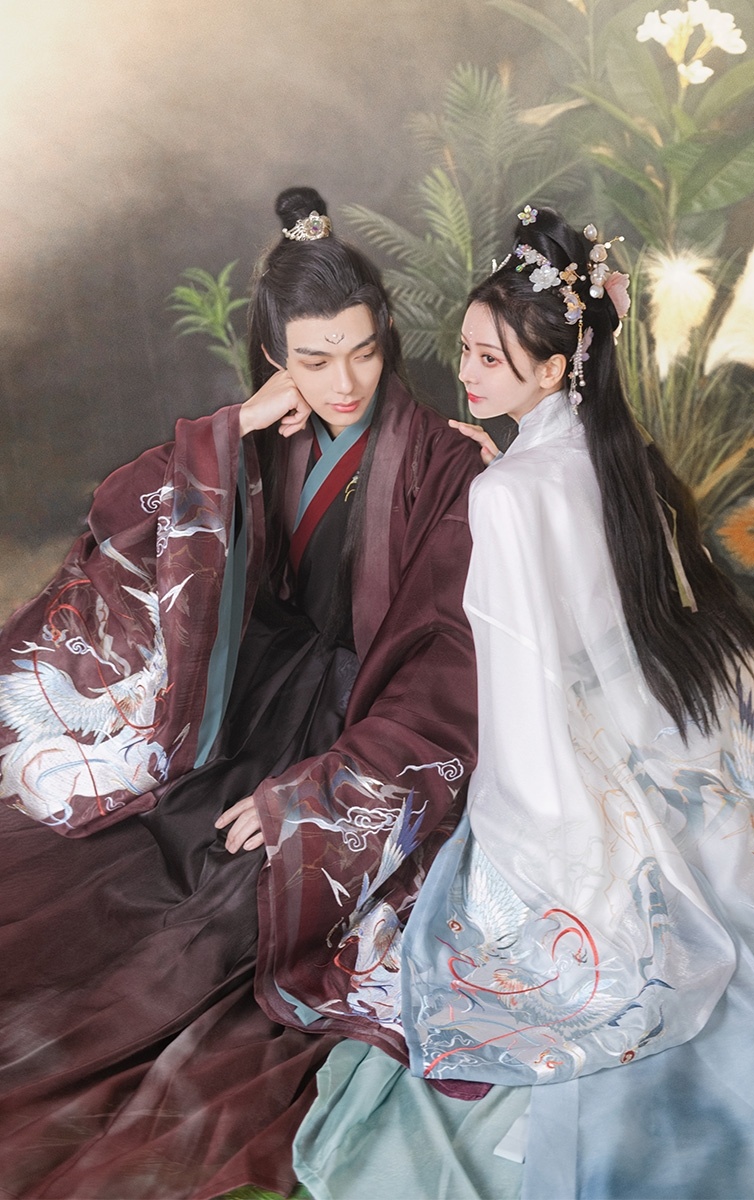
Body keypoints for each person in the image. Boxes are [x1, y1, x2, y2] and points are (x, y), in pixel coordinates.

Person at [291, 207, 754, 1200]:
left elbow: (525, 691)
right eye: (466, 350)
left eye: (490, 358)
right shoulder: (614, 450)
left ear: (553, 368)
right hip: (675, 714)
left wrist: (532, 845)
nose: (466, 373)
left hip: (588, 742)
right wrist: (509, 466)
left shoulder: (508, 494)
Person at [0, 186, 483, 1199]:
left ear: (386, 337)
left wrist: (320, 790)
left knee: (226, 926)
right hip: (246, 707)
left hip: (356, 723)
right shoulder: (261, 430)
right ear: (273, 353)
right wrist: (229, 432)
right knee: (106, 878)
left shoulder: (440, 463)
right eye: (314, 359)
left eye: (363, 352)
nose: (344, 382)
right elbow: (121, 518)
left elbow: (447, 663)